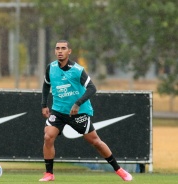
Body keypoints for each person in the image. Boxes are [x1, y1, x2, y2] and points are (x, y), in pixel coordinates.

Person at [39, 40, 132, 182]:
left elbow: (92, 88)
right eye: (57, 48)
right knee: (48, 137)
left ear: (69, 51)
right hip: (58, 111)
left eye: (63, 48)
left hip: (79, 112)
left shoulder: (77, 70)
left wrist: (77, 103)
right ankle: (49, 173)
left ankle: (118, 169)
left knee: (95, 142)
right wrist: (44, 104)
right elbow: (46, 85)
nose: (60, 51)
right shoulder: (51, 68)